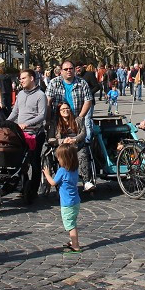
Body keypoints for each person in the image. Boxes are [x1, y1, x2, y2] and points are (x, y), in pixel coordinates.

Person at [44, 61, 93, 200]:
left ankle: (86, 180)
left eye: (71, 68)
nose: (69, 71)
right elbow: (48, 101)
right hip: (58, 118)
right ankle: (62, 178)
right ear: (61, 71)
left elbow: (88, 100)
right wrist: (48, 120)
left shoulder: (81, 82)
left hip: (76, 116)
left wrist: (80, 117)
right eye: (66, 69)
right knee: (60, 151)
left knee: (84, 149)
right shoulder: (54, 83)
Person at [8, 68, 48, 202]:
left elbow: (42, 115)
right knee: (20, 161)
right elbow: (15, 113)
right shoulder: (20, 94)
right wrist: (5, 124)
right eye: (20, 78)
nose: (21, 80)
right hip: (21, 134)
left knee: (34, 161)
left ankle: (33, 189)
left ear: (32, 78)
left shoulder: (40, 95)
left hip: (35, 133)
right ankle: (23, 186)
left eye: (24, 78)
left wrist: (27, 124)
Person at [43, 144, 83, 252]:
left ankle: (75, 245)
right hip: (76, 201)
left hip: (67, 203)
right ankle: (73, 241)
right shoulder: (74, 169)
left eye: (59, 158)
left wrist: (47, 174)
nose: (58, 160)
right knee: (73, 222)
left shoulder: (62, 171)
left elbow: (52, 183)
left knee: (70, 225)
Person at [52, 102, 95, 191]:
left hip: (76, 145)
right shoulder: (55, 123)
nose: (65, 111)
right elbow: (50, 139)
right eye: (63, 109)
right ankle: (62, 179)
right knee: (62, 154)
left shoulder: (77, 120)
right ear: (59, 111)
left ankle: (86, 181)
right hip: (63, 147)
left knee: (83, 153)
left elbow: (83, 133)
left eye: (67, 108)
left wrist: (74, 139)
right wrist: (63, 141)